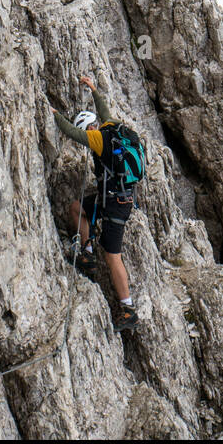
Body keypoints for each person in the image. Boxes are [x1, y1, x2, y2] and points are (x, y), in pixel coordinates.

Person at [52, 73, 143, 332]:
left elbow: (71, 132)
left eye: (87, 129)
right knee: (76, 208)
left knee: (113, 256)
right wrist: (93, 88)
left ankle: (128, 309)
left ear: (90, 127)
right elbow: (104, 109)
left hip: (116, 204)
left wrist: (55, 113)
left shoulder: (98, 138)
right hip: (114, 199)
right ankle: (87, 253)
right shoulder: (112, 127)